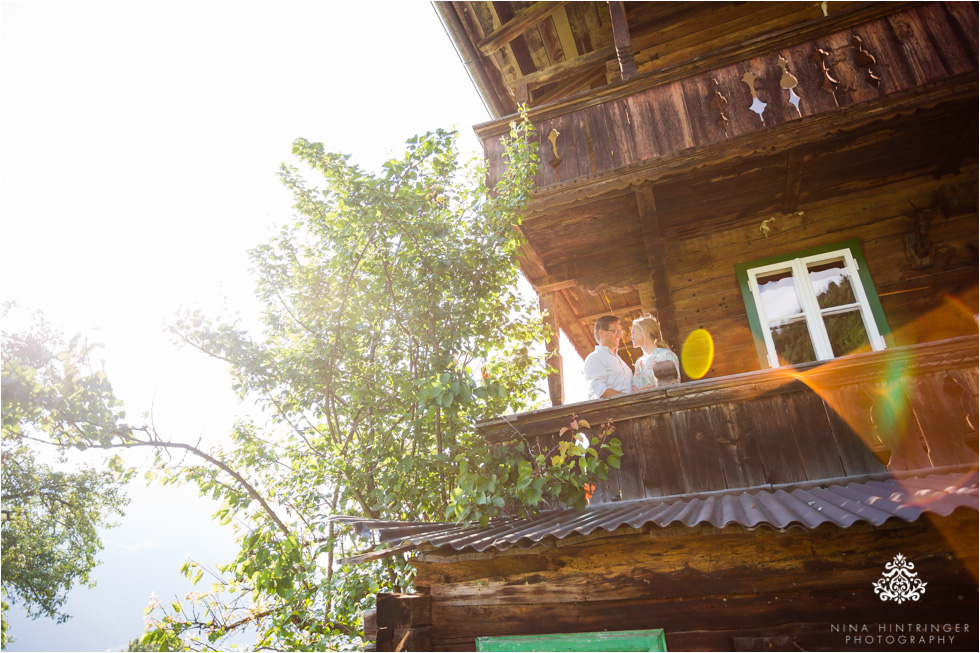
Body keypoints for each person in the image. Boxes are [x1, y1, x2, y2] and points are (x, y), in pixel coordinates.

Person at [583, 315, 633, 399]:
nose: (619, 335)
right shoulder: (595, 358)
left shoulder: (619, 360)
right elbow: (599, 390)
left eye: (620, 332)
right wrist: (628, 399)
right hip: (612, 410)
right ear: (601, 333)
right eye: (615, 331)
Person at [630, 315, 681, 390]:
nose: (630, 337)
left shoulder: (665, 355)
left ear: (645, 331)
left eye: (633, 333)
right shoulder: (638, 362)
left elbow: (671, 387)